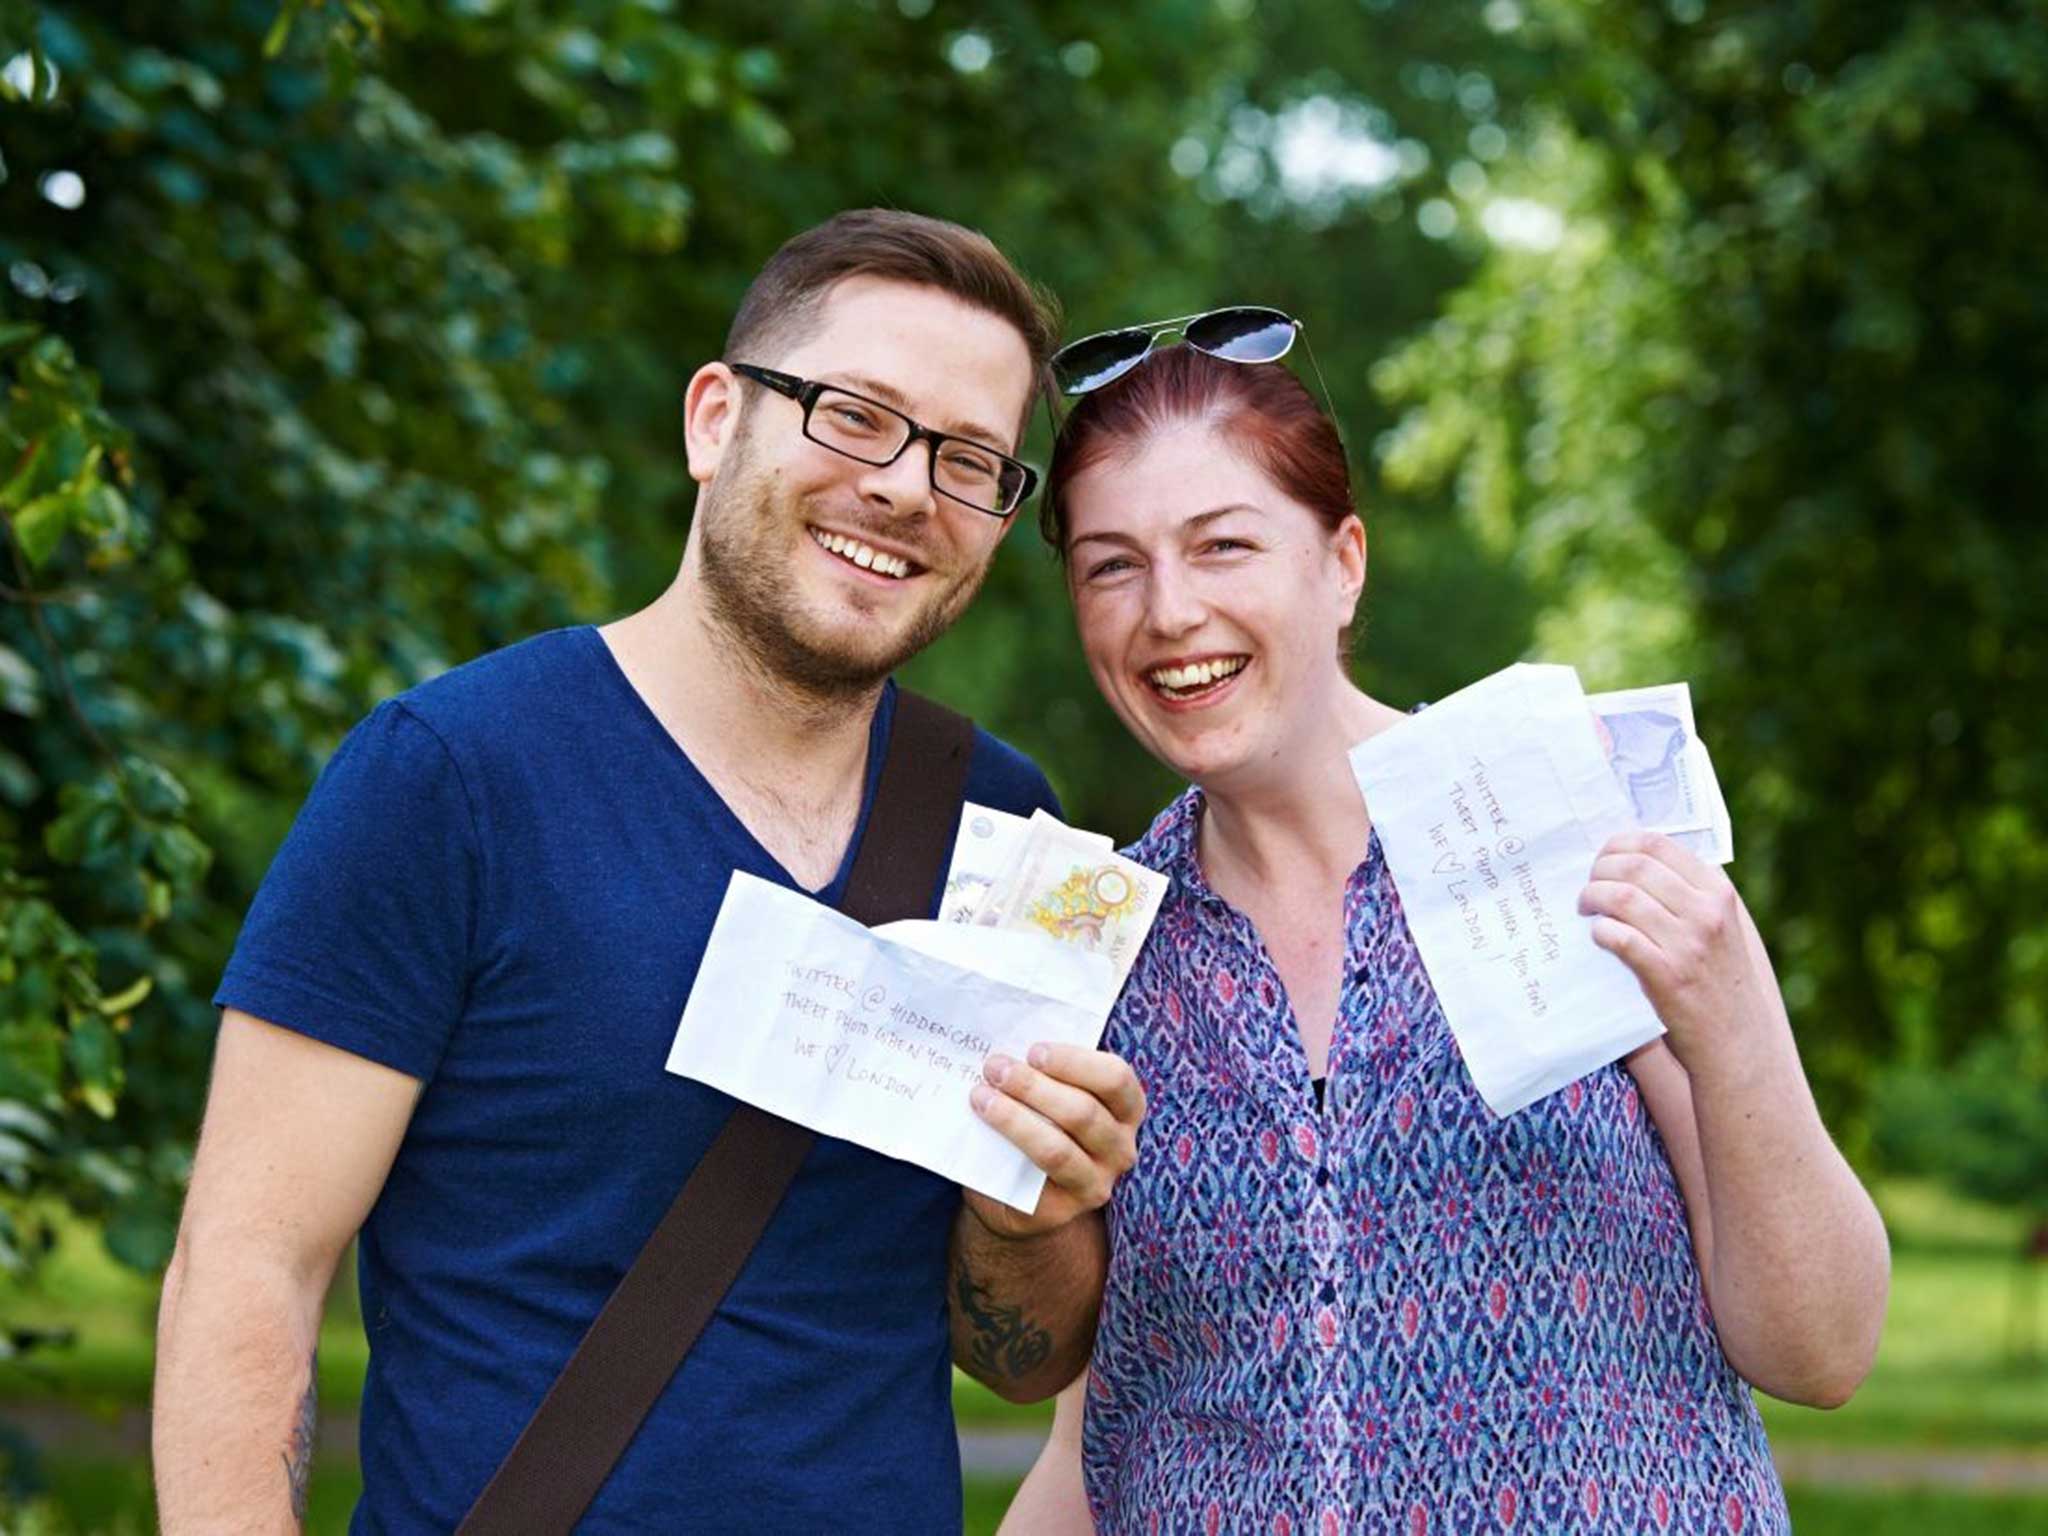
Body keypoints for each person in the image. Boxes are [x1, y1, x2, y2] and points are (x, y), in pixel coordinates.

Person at [152, 209, 1144, 1534]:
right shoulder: (447, 779)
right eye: (855, 415)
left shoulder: (1006, 826)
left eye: (971, 460)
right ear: (712, 419)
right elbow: (247, 1271)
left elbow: (1016, 1361)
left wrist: (1034, 1213)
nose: (908, 488)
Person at [999, 328, 1890, 1533]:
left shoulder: (1560, 825)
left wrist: (1731, 1010)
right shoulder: (1089, 942)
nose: (1169, 610)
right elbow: (1092, 1441)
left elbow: (1820, 1351)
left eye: (1223, 546)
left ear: (1342, 563)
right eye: (1111, 567)